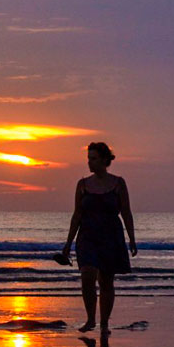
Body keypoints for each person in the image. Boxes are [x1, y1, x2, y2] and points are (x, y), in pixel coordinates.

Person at [62, 142, 137, 335]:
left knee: (106, 280)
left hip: (111, 235)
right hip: (87, 235)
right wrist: (68, 244)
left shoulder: (118, 183)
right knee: (87, 275)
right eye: (88, 158)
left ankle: (104, 323)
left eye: (93, 158)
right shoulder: (83, 185)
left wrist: (132, 239)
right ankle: (90, 320)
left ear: (104, 160)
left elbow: (126, 212)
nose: (89, 162)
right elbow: (77, 215)